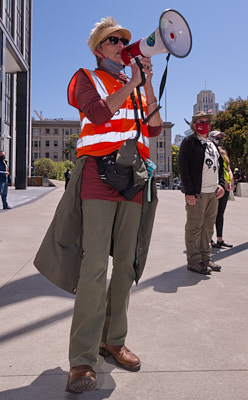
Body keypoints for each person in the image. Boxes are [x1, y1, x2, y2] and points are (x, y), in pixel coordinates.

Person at [34, 16, 162, 394]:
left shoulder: (134, 85)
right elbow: (98, 113)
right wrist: (132, 85)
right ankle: (82, 361)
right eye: (113, 41)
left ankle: (113, 340)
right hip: (98, 175)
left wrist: (147, 82)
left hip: (134, 178)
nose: (123, 45)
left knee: (125, 264)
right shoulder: (85, 78)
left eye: (124, 40)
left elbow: (153, 129)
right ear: (98, 49)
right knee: (93, 268)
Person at [178, 111, 225, 275]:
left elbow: (220, 166)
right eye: (200, 121)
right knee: (194, 227)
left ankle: (206, 257)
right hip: (197, 193)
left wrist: (221, 184)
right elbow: (183, 168)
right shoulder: (189, 142)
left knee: (208, 227)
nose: (204, 124)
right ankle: (194, 261)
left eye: (207, 121)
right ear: (194, 124)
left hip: (213, 193)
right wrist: (189, 192)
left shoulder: (212, 144)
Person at [209, 131, 234, 248]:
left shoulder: (223, 154)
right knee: (211, 213)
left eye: (221, 137)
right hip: (213, 187)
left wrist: (231, 181)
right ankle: (208, 239)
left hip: (225, 186)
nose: (219, 139)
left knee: (220, 213)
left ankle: (220, 239)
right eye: (217, 137)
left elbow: (228, 169)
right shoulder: (209, 151)